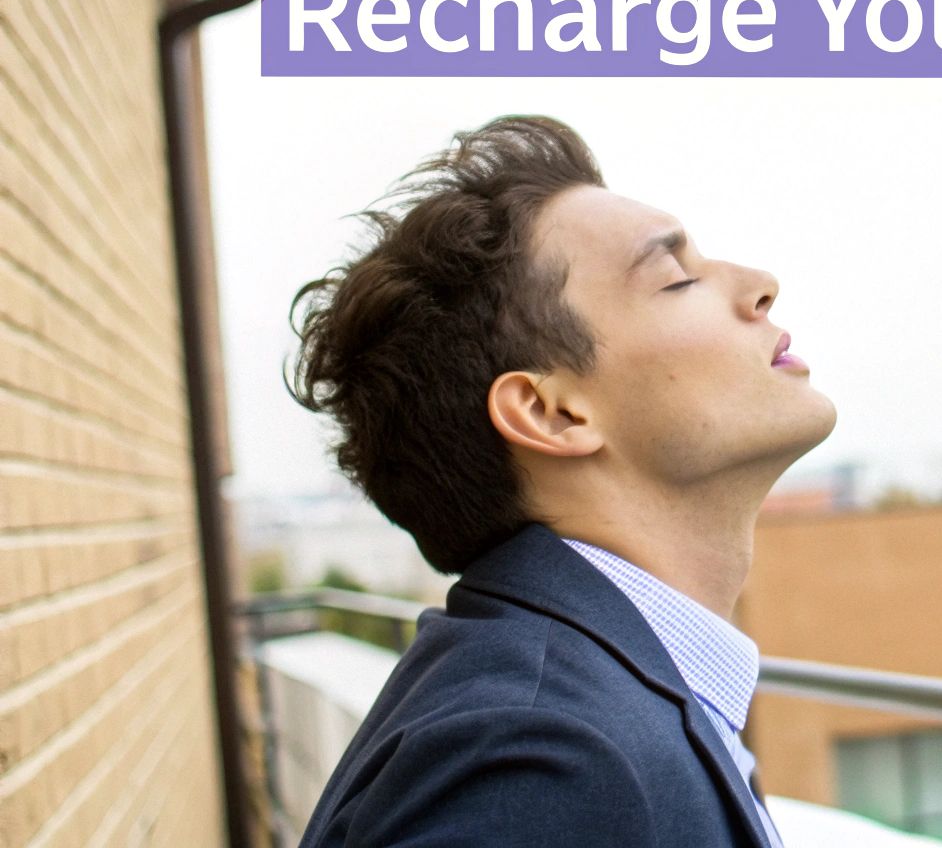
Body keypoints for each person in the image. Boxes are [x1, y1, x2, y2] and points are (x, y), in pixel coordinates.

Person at [287, 115, 836, 847]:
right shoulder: (537, 759)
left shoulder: (581, 698)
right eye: (676, 278)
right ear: (550, 412)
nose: (760, 286)